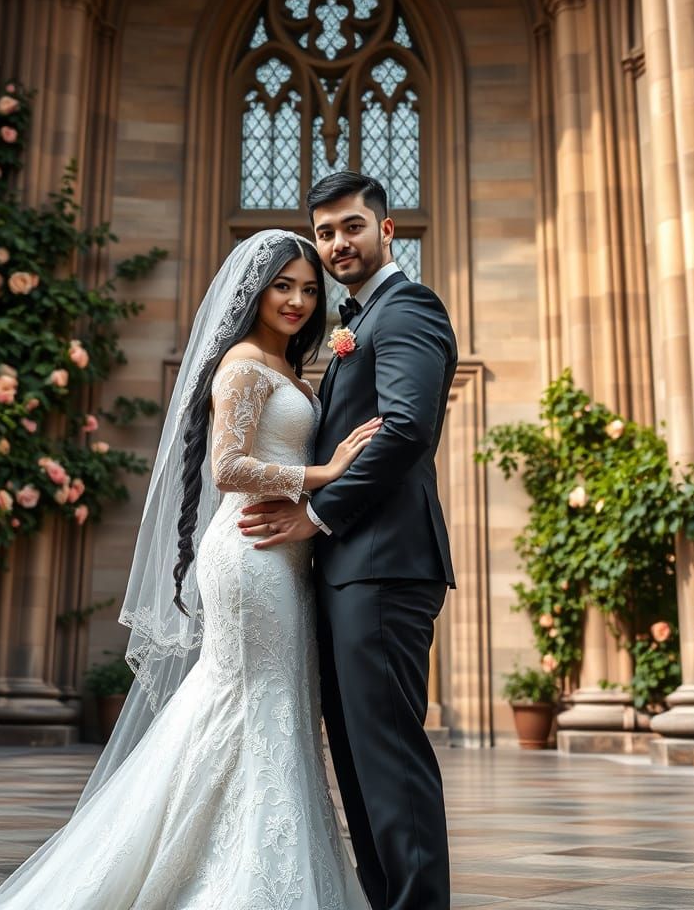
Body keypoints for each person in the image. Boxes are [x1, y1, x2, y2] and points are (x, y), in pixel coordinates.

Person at [0, 230, 375, 909]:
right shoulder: (243, 364)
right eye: (283, 286)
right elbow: (229, 467)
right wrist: (326, 472)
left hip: (286, 558)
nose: (298, 301)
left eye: (310, 290)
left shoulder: (286, 368)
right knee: (252, 701)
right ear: (255, 291)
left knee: (275, 704)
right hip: (250, 557)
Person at [237, 172, 458, 910]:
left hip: (382, 567)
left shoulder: (409, 307)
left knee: (388, 759)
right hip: (348, 572)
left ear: (386, 230)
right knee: (360, 766)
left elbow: (406, 429)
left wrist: (318, 515)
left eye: (352, 226)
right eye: (325, 232)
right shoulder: (356, 322)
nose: (337, 243)